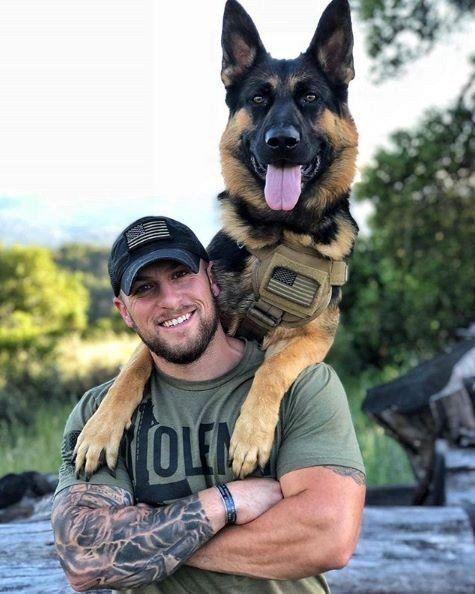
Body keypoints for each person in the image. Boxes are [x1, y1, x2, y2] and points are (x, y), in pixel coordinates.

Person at [51, 215, 366, 594]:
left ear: (213, 279)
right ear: (124, 311)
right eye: (145, 288)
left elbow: (328, 540)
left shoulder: (303, 386)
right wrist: (226, 503)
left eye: (181, 275)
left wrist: (148, 540)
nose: (170, 300)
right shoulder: (98, 414)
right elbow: (85, 558)